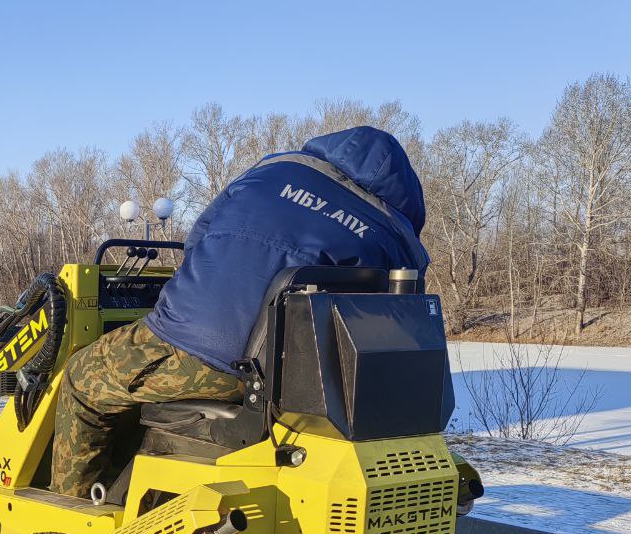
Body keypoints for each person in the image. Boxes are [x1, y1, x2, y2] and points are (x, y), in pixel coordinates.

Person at [51, 125, 430, 497]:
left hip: (201, 349)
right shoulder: (400, 240)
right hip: (307, 389)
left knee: (80, 381)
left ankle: (67, 515)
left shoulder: (272, 174)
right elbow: (401, 318)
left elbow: (199, 241)